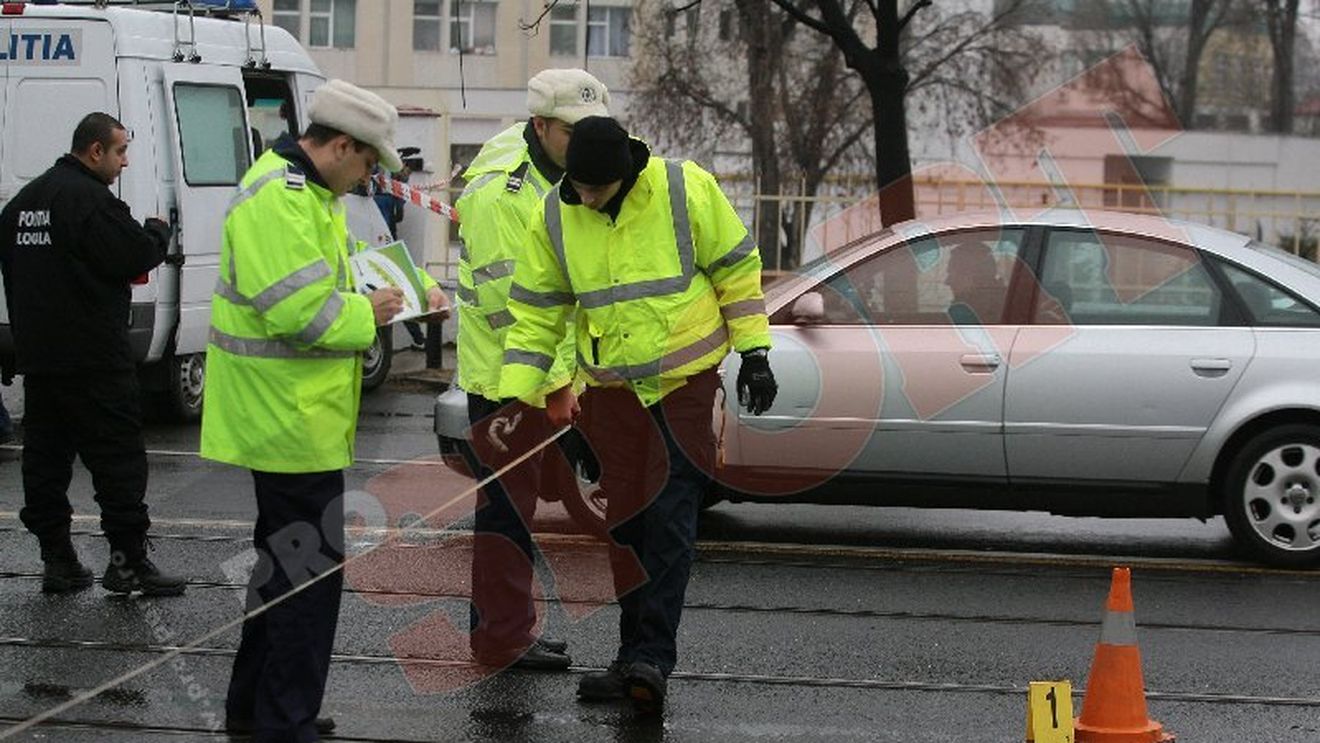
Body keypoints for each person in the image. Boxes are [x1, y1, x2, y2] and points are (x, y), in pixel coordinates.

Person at [498, 116, 779, 713]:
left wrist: (755, 350)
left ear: (625, 175)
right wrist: (534, 399)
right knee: (625, 526)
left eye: (595, 189)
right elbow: (538, 311)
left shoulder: (684, 188)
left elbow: (735, 267)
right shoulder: (556, 210)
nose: (584, 198)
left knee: (669, 519)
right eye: (576, 185)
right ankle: (630, 659)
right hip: (612, 392)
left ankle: (652, 658)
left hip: (682, 385)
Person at [200, 79, 448, 743]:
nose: (368, 176)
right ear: (340, 146)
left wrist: (403, 284)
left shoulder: (301, 191)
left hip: (291, 414)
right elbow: (297, 311)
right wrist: (367, 315)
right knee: (306, 577)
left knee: (283, 566)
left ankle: (255, 708)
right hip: (285, 416)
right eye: (368, 163)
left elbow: (325, 277)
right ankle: (285, 719)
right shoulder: (284, 198)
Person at [454, 68, 610, 671]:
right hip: (508, 382)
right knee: (505, 516)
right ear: (540, 126)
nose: (584, 141)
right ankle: (500, 639)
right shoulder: (504, 195)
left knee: (513, 514)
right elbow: (509, 310)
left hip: (546, 376)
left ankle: (503, 629)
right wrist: (554, 390)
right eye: (573, 131)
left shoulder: (561, 177)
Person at [0, 112, 185, 597]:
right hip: (95, 361)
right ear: (95, 150)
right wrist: (157, 233)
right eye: (120, 151)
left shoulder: (24, 204)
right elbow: (131, 255)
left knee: (45, 465)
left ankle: (58, 561)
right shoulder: (90, 201)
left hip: (41, 362)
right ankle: (126, 565)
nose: (125, 162)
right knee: (119, 464)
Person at [373, 147, 427, 351]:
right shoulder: (382, 192)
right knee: (397, 285)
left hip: (384, 239)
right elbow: (398, 209)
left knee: (396, 287)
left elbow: (398, 208)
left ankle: (418, 338)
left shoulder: (383, 192)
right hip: (385, 239)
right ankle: (418, 338)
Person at [945, 242, 1006, 325]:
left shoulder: (988, 313)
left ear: (978, 276)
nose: (947, 282)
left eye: (954, 274)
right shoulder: (1001, 304)